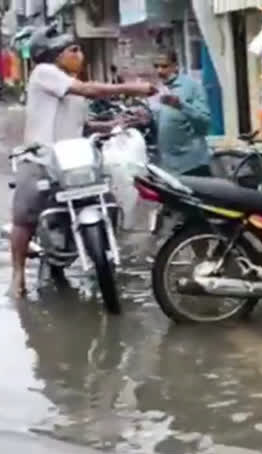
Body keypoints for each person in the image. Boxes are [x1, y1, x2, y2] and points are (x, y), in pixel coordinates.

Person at [10, 26, 155, 298]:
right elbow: (88, 90)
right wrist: (132, 88)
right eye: (72, 50)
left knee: (107, 198)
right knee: (25, 217)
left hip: (74, 161)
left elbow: (82, 124)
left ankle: (102, 250)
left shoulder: (69, 82)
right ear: (55, 55)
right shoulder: (44, 73)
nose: (80, 55)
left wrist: (114, 124)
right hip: (42, 158)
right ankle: (17, 274)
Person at [152, 50, 211, 176]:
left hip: (192, 163)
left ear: (175, 66)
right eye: (156, 66)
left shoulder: (192, 87)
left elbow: (205, 123)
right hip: (167, 166)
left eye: (164, 66)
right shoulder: (157, 90)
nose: (159, 71)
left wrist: (181, 105)